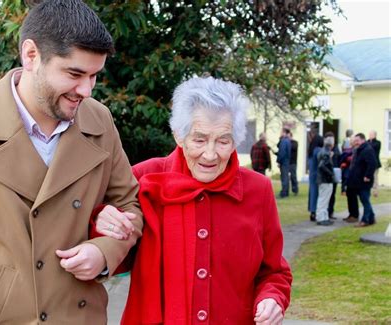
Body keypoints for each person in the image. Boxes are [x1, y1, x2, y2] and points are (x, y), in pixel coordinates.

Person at [0, 1, 143, 324]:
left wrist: (104, 253)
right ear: (31, 55)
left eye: (94, 76)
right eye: (75, 73)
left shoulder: (101, 122)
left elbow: (130, 207)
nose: (87, 91)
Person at [94, 77, 292, 324]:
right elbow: (116, 255)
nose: (210, 154)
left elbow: (274, 271)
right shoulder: (144, 178)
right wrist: (101, 222)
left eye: (223, 141)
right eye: (199, 139)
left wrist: (272, 298)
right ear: (179, 135)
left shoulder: (258, 190)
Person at [346, 133, 378, 227]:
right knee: (364, 199)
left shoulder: (367, 150)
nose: (356, 143)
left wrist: (367, 176)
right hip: (358, 180)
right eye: (355, 141)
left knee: (365, 200)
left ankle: (365, 220)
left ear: (363, 140)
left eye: (357, 141)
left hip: (365, 180)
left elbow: (372, 164)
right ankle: (371, 218)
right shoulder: (359, 150)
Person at [315, 136, 335, 226]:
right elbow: (322, 165)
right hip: (325, 180)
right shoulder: (326, 153)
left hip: (322, 179)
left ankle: (324, 217)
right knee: (323, 199)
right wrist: (331, 173)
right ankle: (321, 217)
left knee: (324, 198)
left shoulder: (322, 152)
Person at [307, 128, 323, 221]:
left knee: (312, 193)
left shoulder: (311, 150)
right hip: (317, 175)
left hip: (312, 174)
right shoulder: (318, 150)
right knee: (316, 194)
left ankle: (312, 211)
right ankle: (315, 211)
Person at [324, 131, 340, 220]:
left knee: (332, 194)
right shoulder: (325, 150)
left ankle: (330, 211)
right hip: (327, 175)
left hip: (334, 174)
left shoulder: (336, 149)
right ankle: (325, 212)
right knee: (326, 195)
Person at [277, 128, 292, 198]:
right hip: (287, 161)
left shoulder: (283, 141)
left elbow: (282, 152)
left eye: (281, 132)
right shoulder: (288, 141)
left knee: (284, 177)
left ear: (284, 132)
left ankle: (284, 193)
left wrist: (279, 161)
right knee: (286, 177)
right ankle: (286, 192)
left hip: (283, 162)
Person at [367, 130, 381, 197]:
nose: (369, 136)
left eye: (371, 134)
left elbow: (372, 147)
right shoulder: (367, 142)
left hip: (375, 163)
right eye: (369, 134)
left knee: (375, 178)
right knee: (368, 177)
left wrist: (369, 142)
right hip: (368, 163)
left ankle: (375, 192)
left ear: (375, 135)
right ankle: (368, 190)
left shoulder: (378, 143)